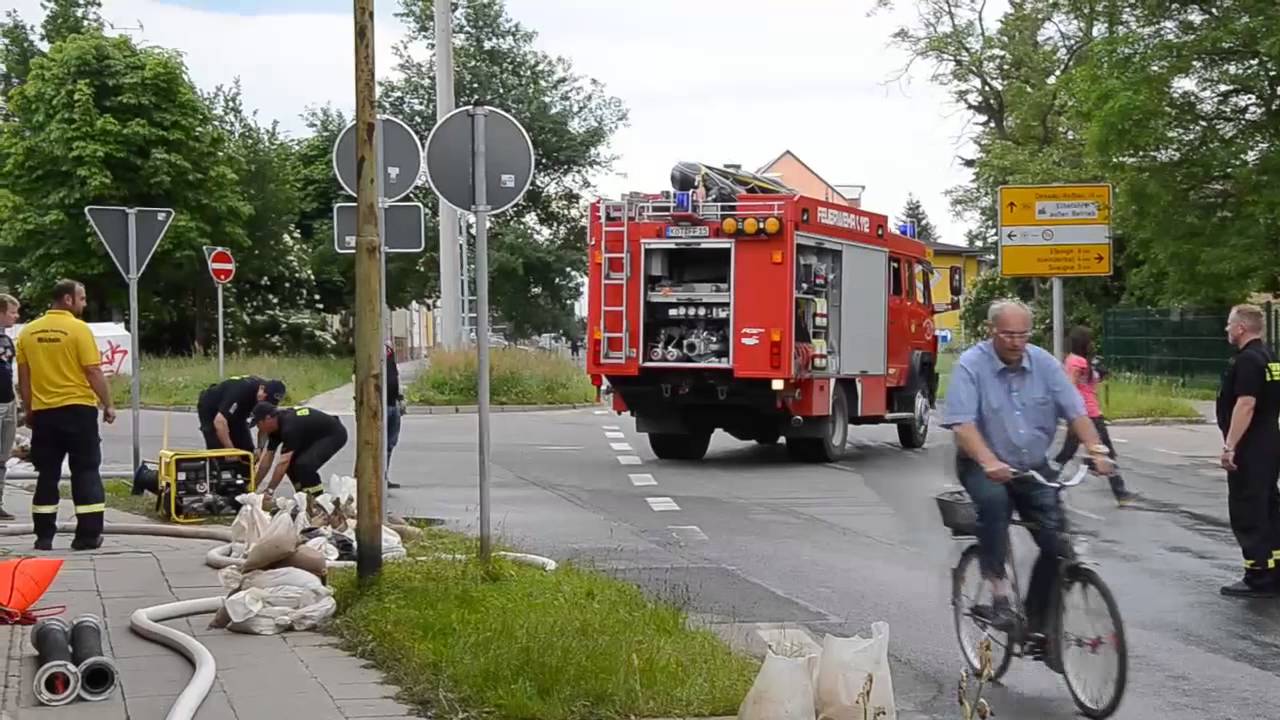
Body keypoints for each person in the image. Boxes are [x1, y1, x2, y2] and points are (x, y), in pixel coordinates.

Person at [942, 299, 1114, 649]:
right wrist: (989, 461)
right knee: (993, 505)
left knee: (1057, 543)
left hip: (1032, 465)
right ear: (992, 331)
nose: (1016, 342)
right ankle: (999, 590)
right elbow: (962, 424)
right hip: (983, 463)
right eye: (1007, 334)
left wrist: (1096, 450)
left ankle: (1037, 623)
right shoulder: (972, 366)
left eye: (1022, 334)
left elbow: (1076, 411)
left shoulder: (1045, 365)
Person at [16, 280, 116, 551]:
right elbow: (93, 371)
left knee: (47, 474)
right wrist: (108, 403)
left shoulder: (28, 333)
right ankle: (87, 536)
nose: (84, 303)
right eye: (82, 298)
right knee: (85, 471)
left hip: (45, 414)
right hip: (78, 412)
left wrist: (29, 409)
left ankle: (44, 537)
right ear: (68, 300)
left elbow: (24, 378)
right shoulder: (79, 330)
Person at [1216, 304, 1280, 598]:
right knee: (1268, 507)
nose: (1226, 329)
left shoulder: (1247, 361)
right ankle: (1274, 569)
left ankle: (1258, 575)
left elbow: (1246, 404)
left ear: (1241, 327)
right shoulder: (1269, 357)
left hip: (1251, 445)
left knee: (1248, 509)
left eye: (1230, 324)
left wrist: (1230, 446)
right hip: (1269, 441)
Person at [1052, 326, 1138, 506]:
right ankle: (1121, 494)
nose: (1092, 343)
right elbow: (1071, 386)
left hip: (1082, 414)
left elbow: (1086, 383)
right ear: (1083, 342)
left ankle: (1050, 485)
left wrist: (1099, 372)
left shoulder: (1075, 360)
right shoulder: (1078, 362)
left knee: (1066, 454)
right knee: (1106, 453)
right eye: (1090, 340)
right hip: (1089, 415)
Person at [250, 402, 348, 502]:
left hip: (333, 434)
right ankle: (302, 497)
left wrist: (269, 491)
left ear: (268, 418)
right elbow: (266, 462)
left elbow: (283, 462)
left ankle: (317, 500)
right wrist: (253, 487)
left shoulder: (289, 427)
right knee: (292, 466)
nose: (258, 428)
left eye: (258, 423)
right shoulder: (274, 429)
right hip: (311, 435)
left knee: (304, 465)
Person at [196, 375, 287, 454]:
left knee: (247, 452)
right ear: (262, 388)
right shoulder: (243, 390)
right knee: (219, 450)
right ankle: (215, 470)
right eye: (265, 398)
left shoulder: (267, 402)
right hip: (211, 408)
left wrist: (260, 449)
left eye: (269, 402)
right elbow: (219, 422)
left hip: (239, 413)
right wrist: (230, 451)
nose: (264, 403)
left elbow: (264, 426)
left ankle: (244, 471)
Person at [0, 293, 19, 520]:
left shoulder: (6, 340)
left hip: (8, 401)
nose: (16, 316)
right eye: (12, 312)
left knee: (2, 457)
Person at [384, 343, 404, 489]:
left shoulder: (389, 350)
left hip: (393, 403)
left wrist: (401, 398)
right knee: (376, 444)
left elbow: (396, 375)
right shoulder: (369, 347)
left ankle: (384, 476)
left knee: (390, 443)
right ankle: (373, 477)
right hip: (378, 405)